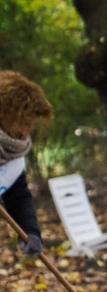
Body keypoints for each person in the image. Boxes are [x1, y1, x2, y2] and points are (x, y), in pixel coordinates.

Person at [0, 71, 52, 257]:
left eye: (29, 122)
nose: (25, 129)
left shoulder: (13, 153)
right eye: (21, 120)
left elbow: (19, 197)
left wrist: (30, 232)